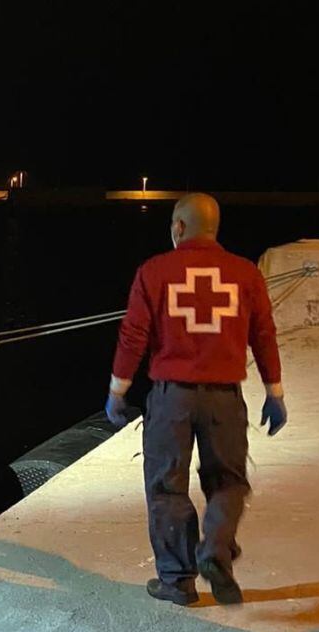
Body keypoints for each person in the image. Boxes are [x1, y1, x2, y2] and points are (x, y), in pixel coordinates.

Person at [106, 193, 286, 607]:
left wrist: (118, 390)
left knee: (166, 486)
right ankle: (215, 552)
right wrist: (274, 392)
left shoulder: (154, 271)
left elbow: (133, 335)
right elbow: (263, 334)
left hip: (172, 400)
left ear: (179, 227)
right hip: (225, 399)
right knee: (228, 481)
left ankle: (177, 582)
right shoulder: (245, 273)